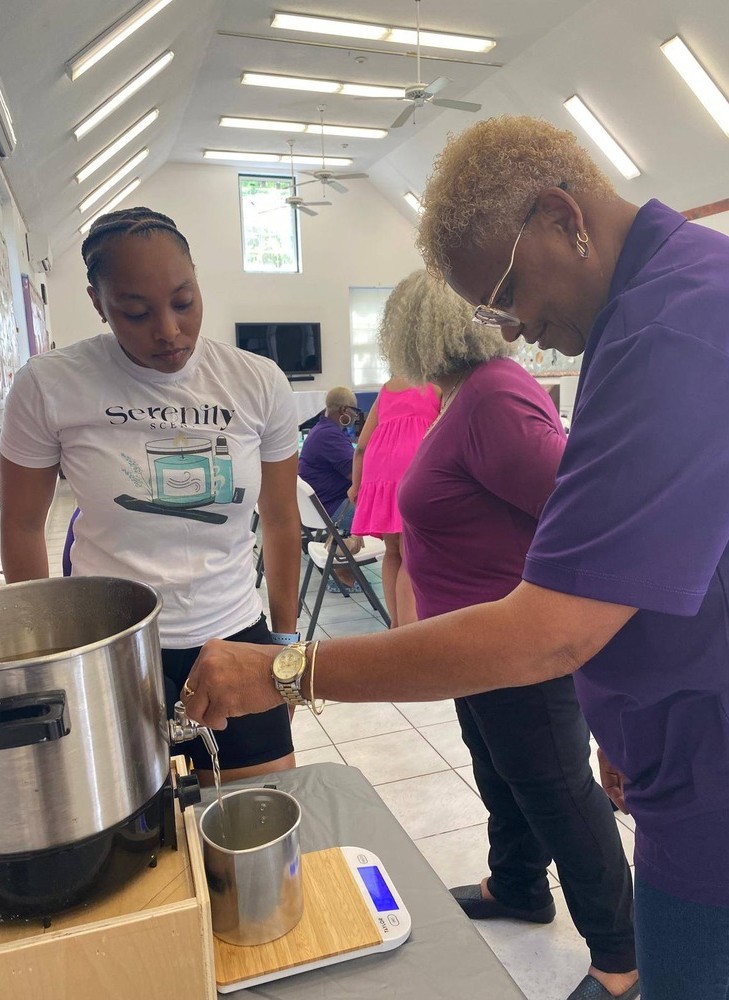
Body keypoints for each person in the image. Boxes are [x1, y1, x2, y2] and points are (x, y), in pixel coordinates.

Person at [182, 115, 729, 1000]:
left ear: (561, 217)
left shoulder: (675, 327)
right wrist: (625, 720)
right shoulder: (648, 307)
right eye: (489, 312)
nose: (510, 329)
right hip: (677, 744)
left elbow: (550, 628)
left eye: (505, 294)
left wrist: (286, 671)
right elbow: (662, 546)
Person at [386, 268, 636, 995]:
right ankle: (518, 885)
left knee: (556, 791)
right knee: (502, 774)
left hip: (515, 648)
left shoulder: (492, 395)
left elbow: (580, 511)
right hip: (472, 646)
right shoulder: (462, 397)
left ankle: (622, 958)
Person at [0, 207, 302, 786]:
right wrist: (42, 657)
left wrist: (284, 650)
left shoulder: (257, 381)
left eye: (184, 301)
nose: (168, 330)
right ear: (97, 302)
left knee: (258, 811)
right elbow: (20, 526)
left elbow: (282, 518)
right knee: (138, 823)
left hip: (233, 635)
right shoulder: (48, 385)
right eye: (135, 313)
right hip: (111, 643)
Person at [348, 375, 440, 627]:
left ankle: (396, 624)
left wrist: (356, 484)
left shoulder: (386, 389)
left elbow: (361, 447)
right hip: (413, 465)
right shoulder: (437, 387)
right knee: (411, 554)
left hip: (379, 470)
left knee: (392, 551)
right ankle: (408, 632)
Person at [298, 385, 361, 592]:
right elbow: (357, 474)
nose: (356, 416)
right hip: (332, 507)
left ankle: (344, 566)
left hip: (320, 505)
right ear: (344, 410)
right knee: (389, 516)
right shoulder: (329, 435)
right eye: (355, 411)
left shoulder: (322, 430)